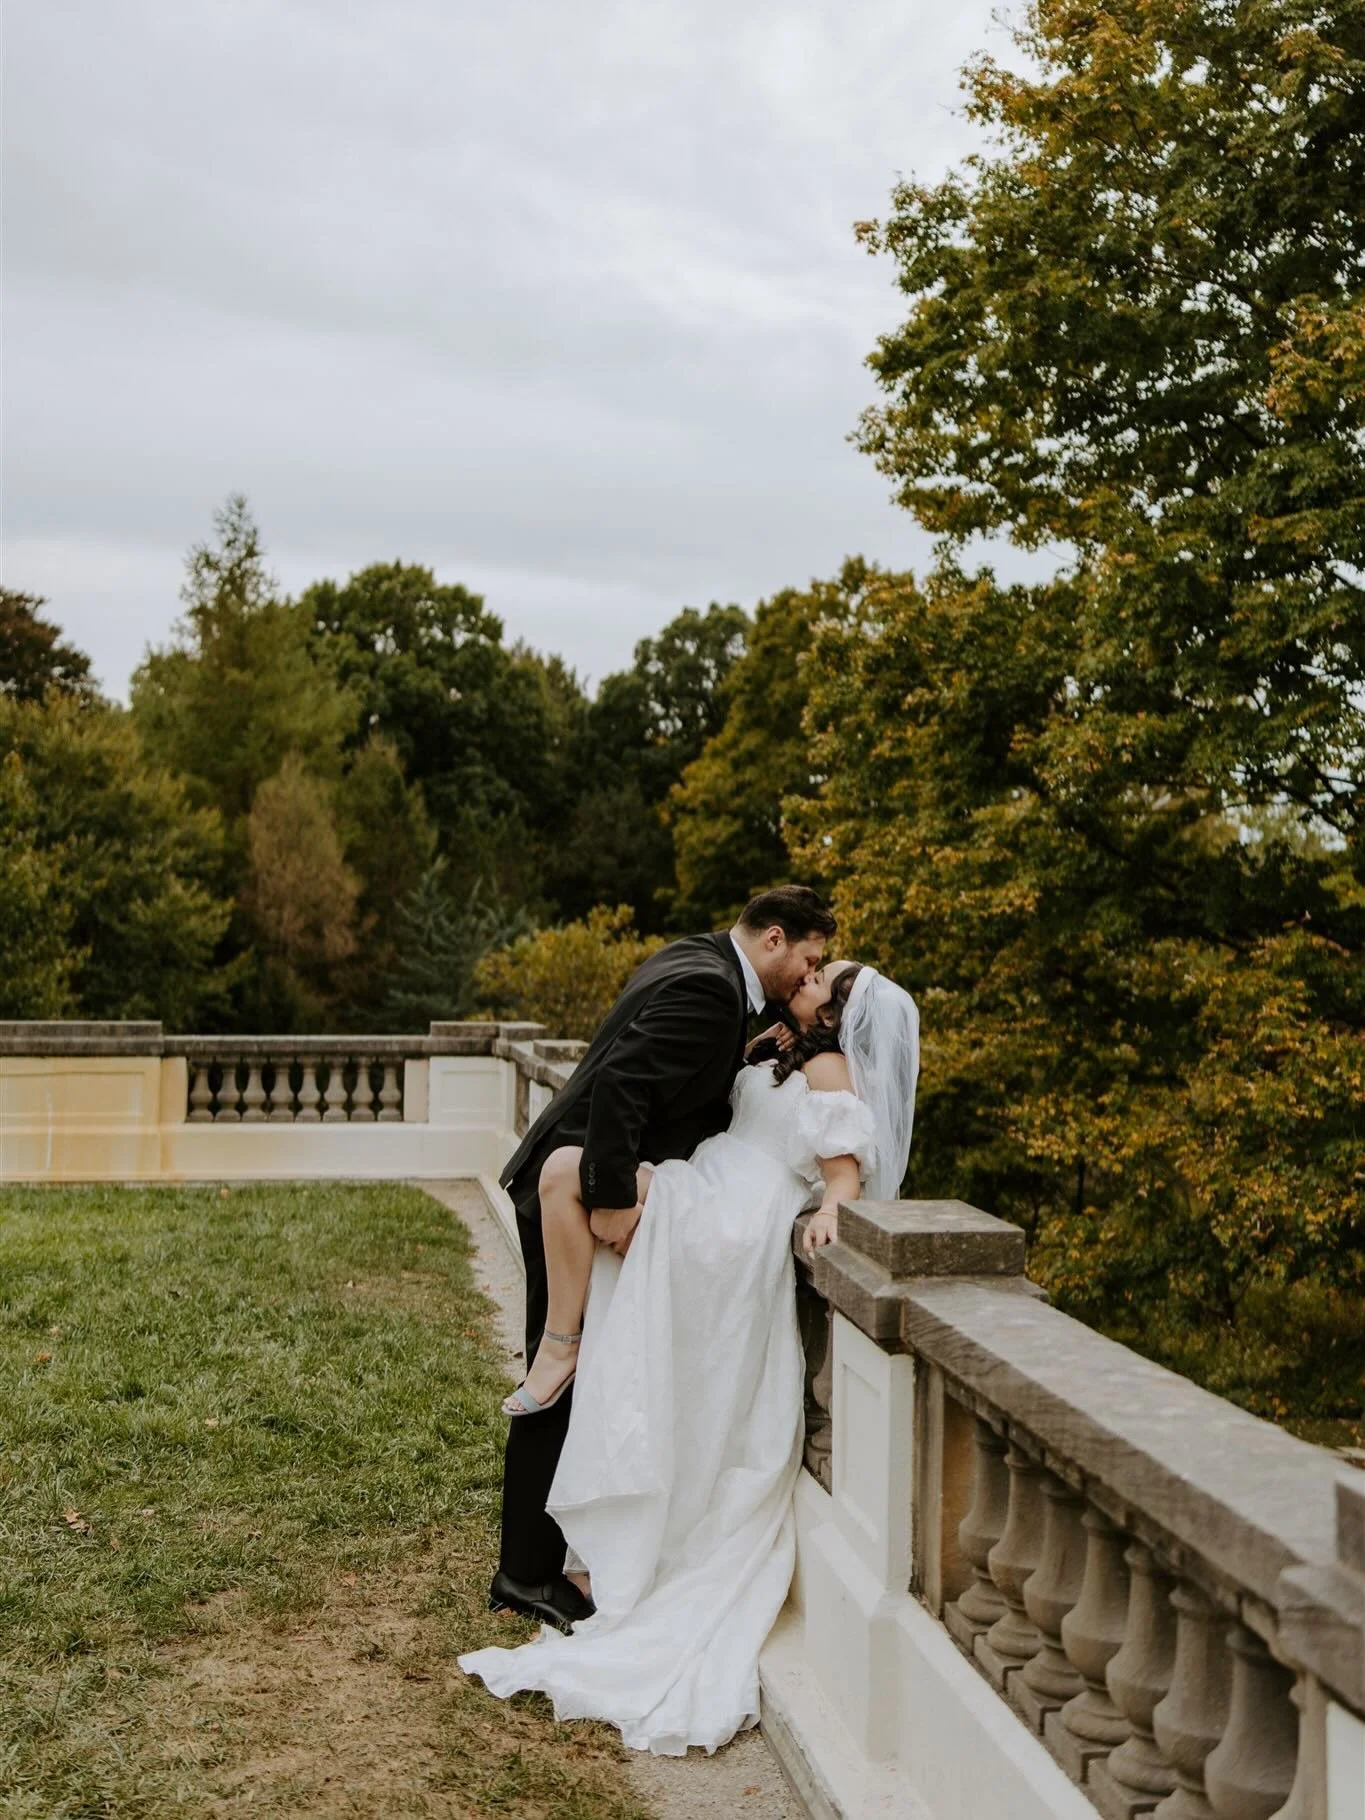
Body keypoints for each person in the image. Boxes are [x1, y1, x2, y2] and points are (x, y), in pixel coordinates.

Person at [460, 952, 921, 1756]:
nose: (805, 974)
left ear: (835, 1010)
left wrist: (831, 1218)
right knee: (570, 1173)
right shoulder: (780, 1048)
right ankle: (563, 1344)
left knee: (570, 1172)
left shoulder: (831, 1067)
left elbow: (845, 1171)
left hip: (738, 1219)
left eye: (820, 976)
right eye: (809, 963)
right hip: (712, 1186)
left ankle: (559, 1346)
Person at [485, 884, 838, 1634]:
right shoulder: (712, 992)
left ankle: (540, 1560)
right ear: (774, 938)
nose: (807, 975)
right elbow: (624, 1082)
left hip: (568, 1174)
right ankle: (525, 1571)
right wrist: (611, 1197)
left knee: (574, 1355)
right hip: (579, 1186)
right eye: (806, 958)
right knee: (563, 1363)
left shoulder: (700, 958)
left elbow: (673, 1070)